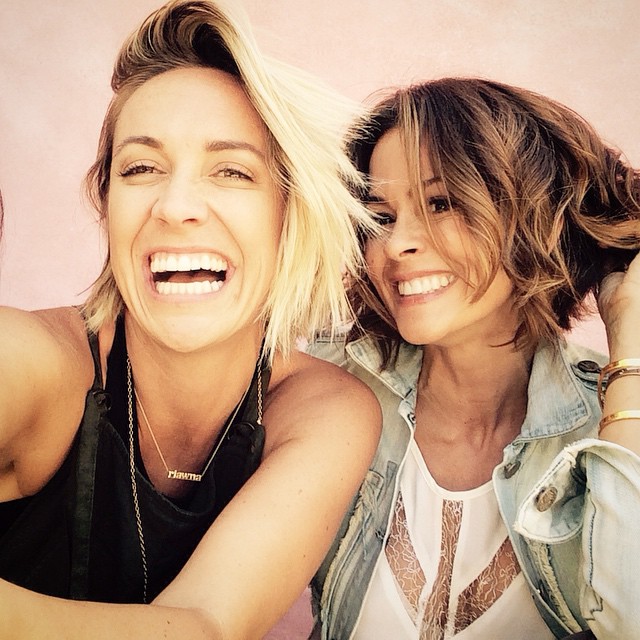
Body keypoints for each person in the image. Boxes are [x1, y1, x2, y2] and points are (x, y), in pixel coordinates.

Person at [0, 1, 381, 638]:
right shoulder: (27, 359)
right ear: (107, 203)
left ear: (292, 213)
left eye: (231, 170)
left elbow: (207, 625)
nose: (175, 206)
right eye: (141, 168)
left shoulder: (325, 408)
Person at [309, 78, 640, 639]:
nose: (396, 243)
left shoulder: (615, 424)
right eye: (381, 217)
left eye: (442, 203)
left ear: (538, 214)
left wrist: (629, 344)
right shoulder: (326, 384)